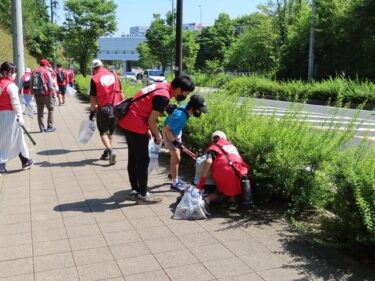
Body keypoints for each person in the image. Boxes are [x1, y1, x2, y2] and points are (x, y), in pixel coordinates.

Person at [117, 73, 195, 204]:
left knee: (133, 158)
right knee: (143, 160)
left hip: (127, 120)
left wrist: (147, 129)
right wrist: (158, 135)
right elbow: (151, 120)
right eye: (185, 93)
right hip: (135, 124)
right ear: (178, 89)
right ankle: (142, 195)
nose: (185, 96)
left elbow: (144, 106)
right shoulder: (163, 96)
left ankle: (135, 191)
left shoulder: (162, 86)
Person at [163, 95, 208, 191]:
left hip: (176, 131)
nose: (200, 112)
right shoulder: (181, 116)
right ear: (192, 107)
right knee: (176, 157)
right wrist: (174, 142)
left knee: (176, 157)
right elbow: (167, 129)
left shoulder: (187, 109)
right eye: (199, 110)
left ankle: (173, 174)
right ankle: (174, 183)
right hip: (169, 133)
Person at [196, 130, 250, 210]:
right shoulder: (232, 146)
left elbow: (209, 161)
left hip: (223, 171)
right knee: (232, 179)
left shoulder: (212, 148)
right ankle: (232, 202)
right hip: (239, 171)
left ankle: (204, 201)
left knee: (220, 191)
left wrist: (201, 183)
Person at [0, 62, 33, 174]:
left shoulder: (1, 84)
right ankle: (1, 165)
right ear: (5, 72)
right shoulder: (11, 86)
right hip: (10, 115)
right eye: (12, 72)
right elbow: (16, 103)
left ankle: (25, 160)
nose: (14, 74)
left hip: (2, 115)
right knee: (9, 140)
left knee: (16, 138)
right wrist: (20, 116)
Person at [89, 59, 123, 165]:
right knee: (111, 132)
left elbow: (93, 97)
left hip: (103, 109)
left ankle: (110, 150)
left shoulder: (94, 78)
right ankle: (107, 153)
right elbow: (121, 93)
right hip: (116, 108)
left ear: (94, 69)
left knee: (103, 132)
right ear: (102, 66)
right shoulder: (115, 76)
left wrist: (92, 110)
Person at [32, 59, 57, 132]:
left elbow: (31, 82)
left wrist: (32, 92)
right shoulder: (47, 72)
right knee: (51, 109)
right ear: (46, 65)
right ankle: (50, 126)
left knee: (40, 111)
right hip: (46, 94)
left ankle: (41, 128)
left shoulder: (34, 71)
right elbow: (50, 84)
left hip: (37, 93)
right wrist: (53, 92)